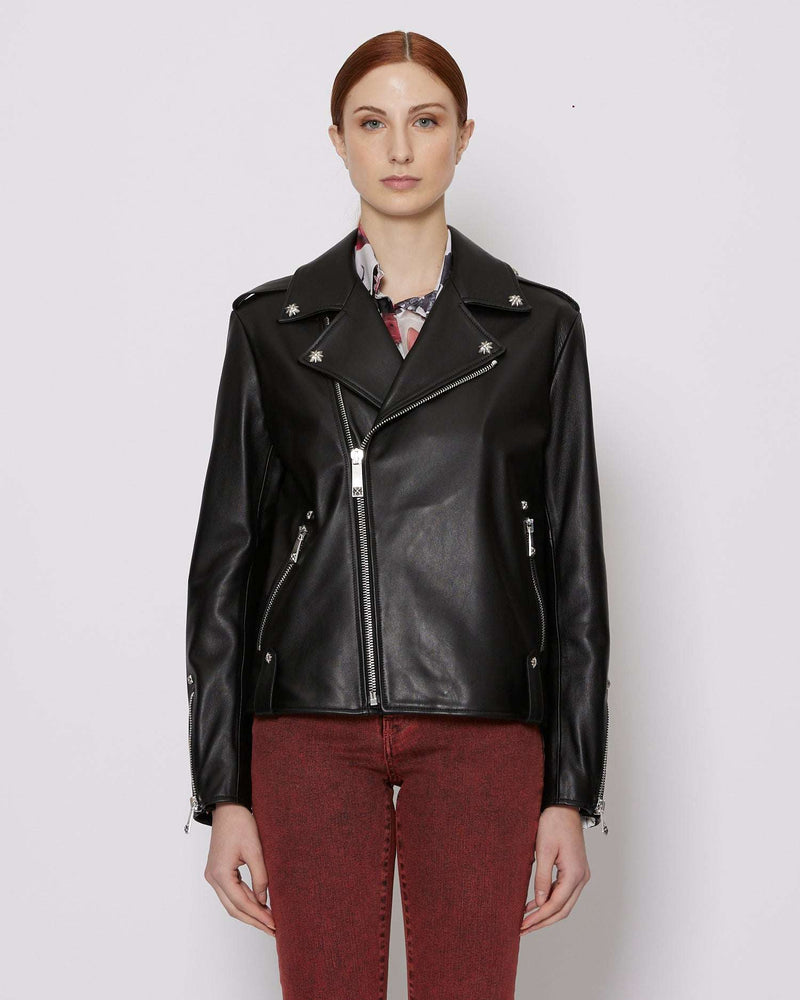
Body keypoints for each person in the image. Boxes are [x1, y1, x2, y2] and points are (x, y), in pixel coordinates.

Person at [184, 29, 611, 1000]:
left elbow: (575, 572)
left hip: (484, 725)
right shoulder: (272, 327)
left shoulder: (539, 327)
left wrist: (569, 791)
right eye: (372, 124)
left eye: (425, 120)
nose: (401, 148)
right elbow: (226, 565)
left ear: (463, 135)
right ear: (338, 140)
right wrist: (223, 789)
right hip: (308, 725)